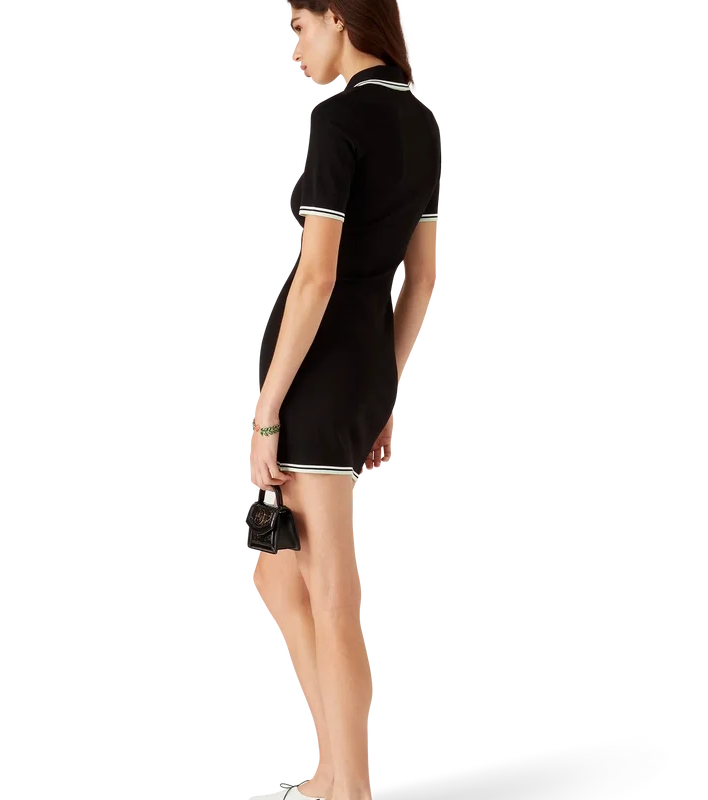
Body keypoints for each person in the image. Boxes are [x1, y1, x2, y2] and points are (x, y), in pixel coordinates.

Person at [248, 2, 440, 798]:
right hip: (359, 371)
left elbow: (317, 276)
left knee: (326, 586)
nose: (293, 48)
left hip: (316, 376)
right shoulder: (419, 122)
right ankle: (331, 773)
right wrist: (384, 395)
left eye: (298, 27)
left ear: (337, 18)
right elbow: (421, 279)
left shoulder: (342, 120)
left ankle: (348, 789)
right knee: (274, 571)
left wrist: (267, 408)